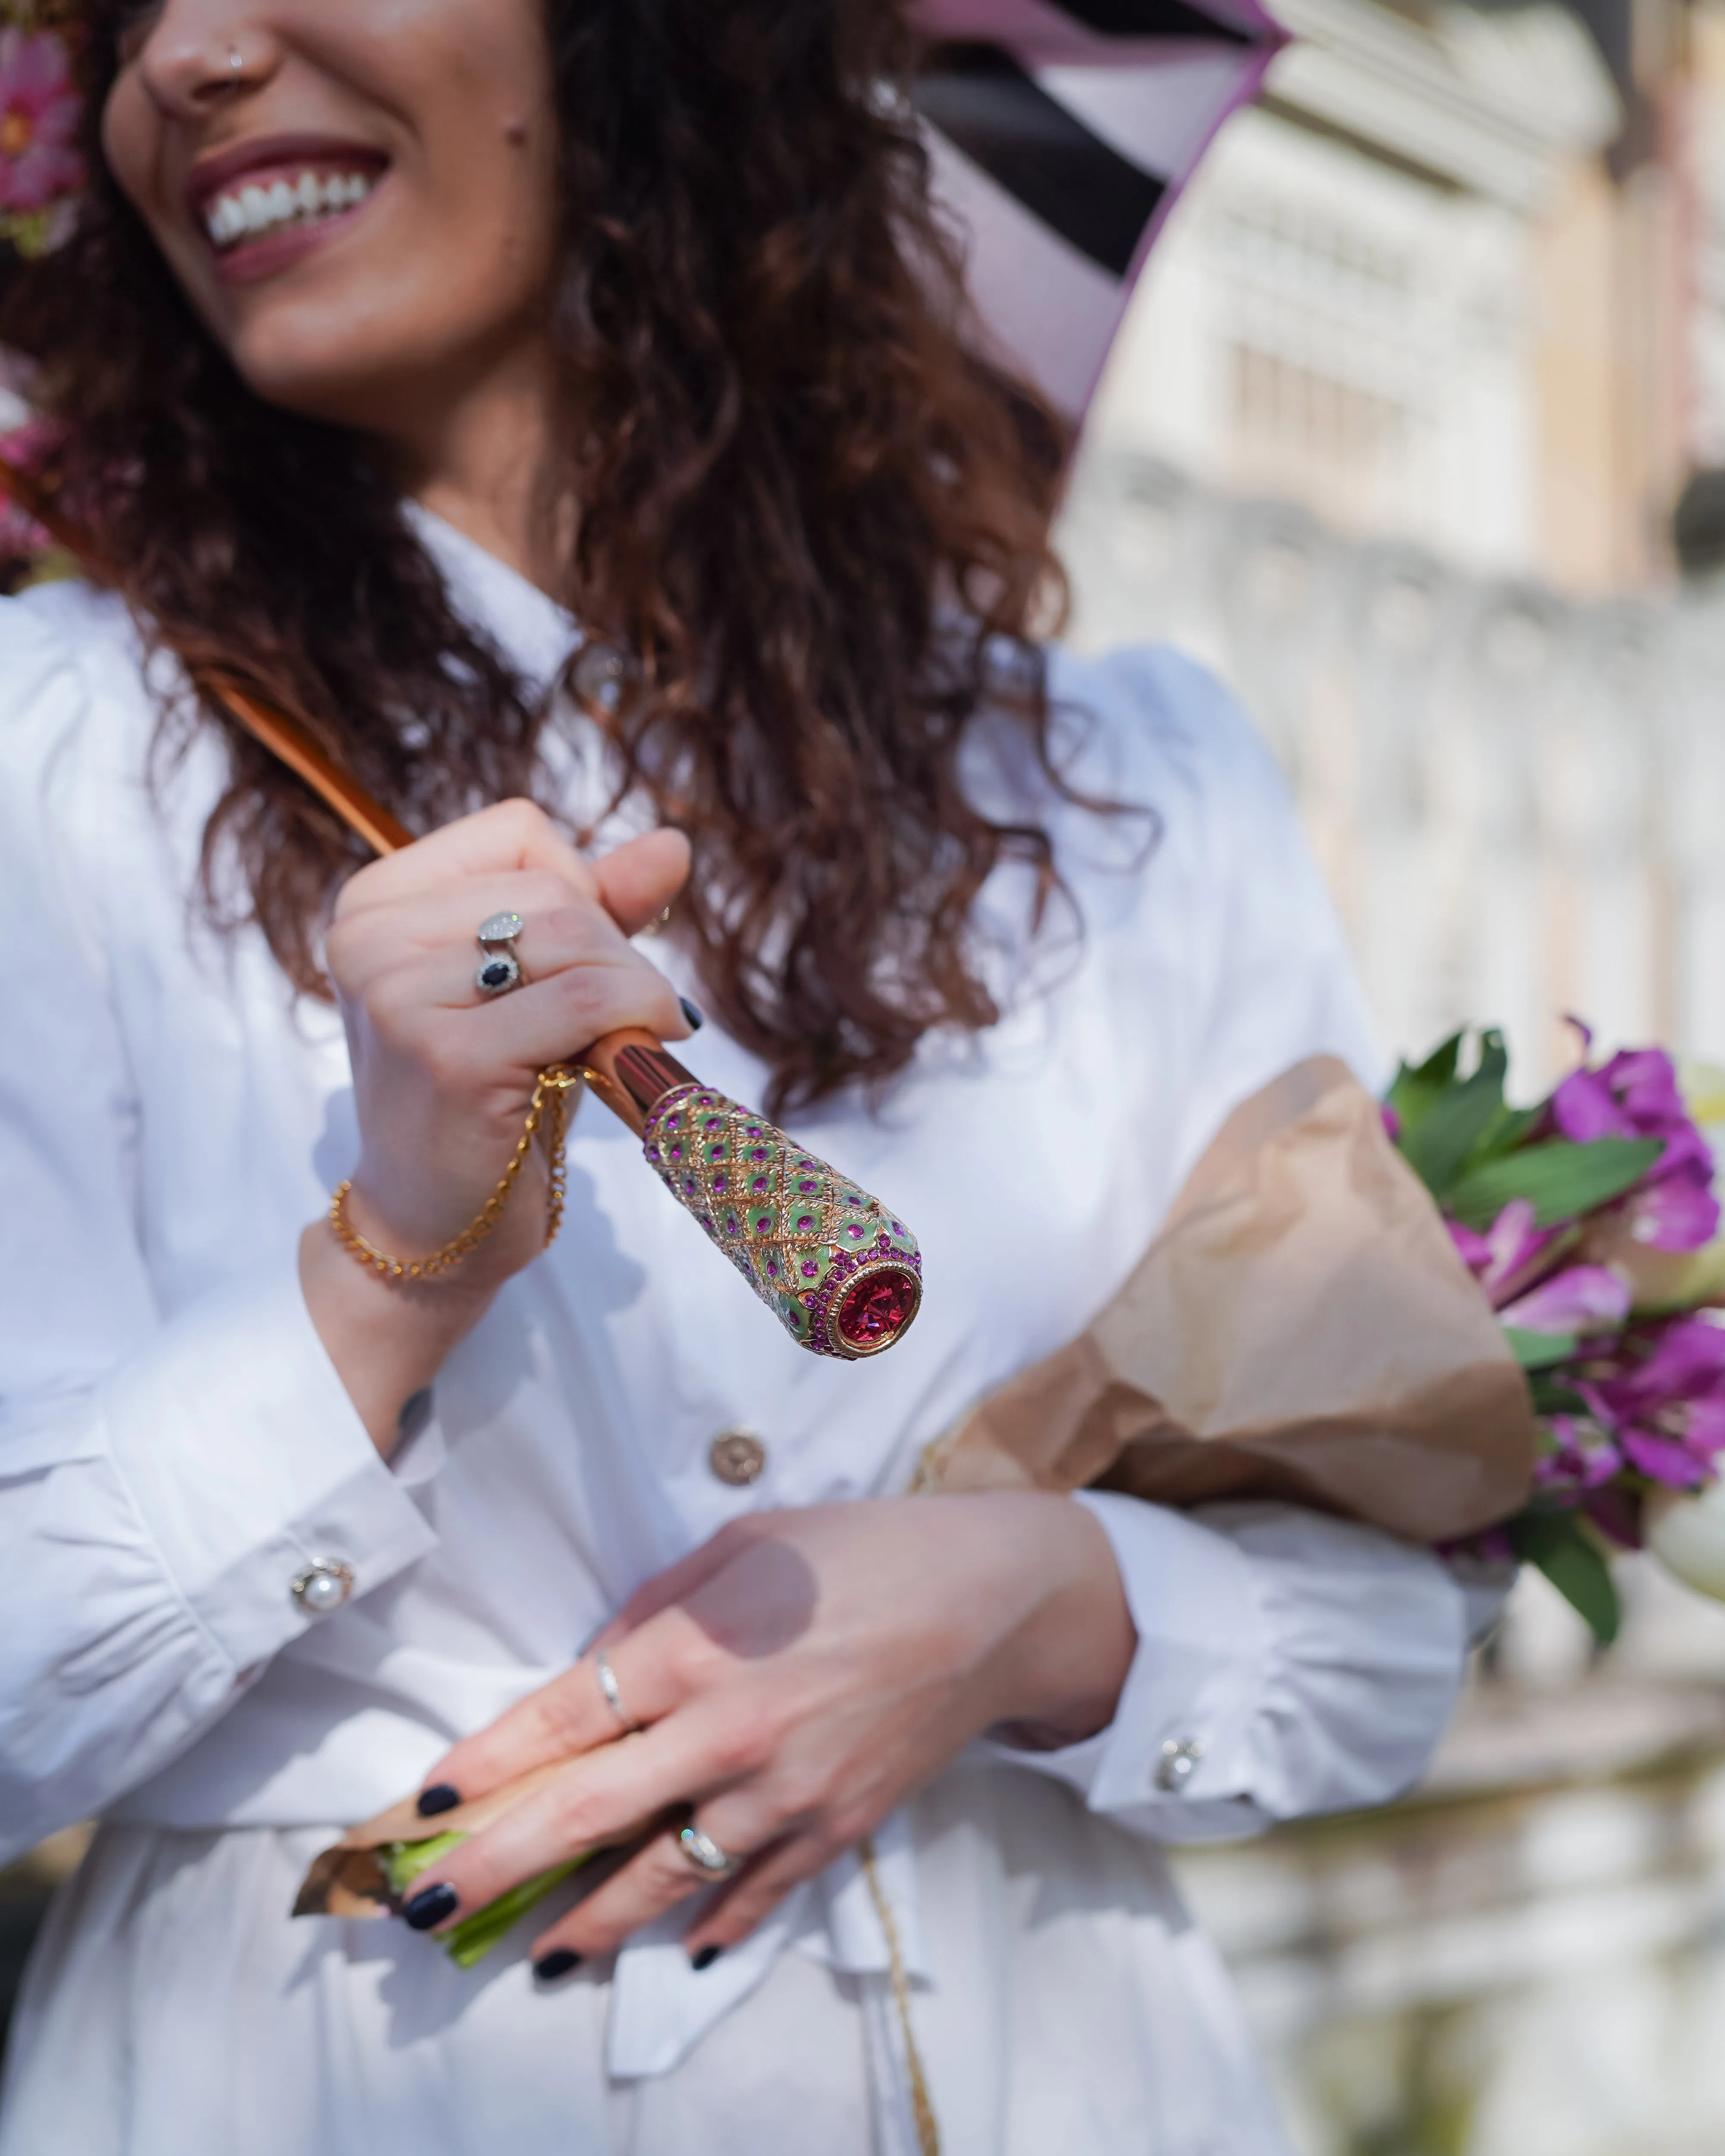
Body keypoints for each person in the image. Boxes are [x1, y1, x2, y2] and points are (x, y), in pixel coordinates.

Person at [0, 2, 1496, 2150]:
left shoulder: (1128, 780)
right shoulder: (48, 768)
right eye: (122, 11)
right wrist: (385, 1274)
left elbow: (1390, 1635)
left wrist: (1039, 1607)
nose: (196, 55)